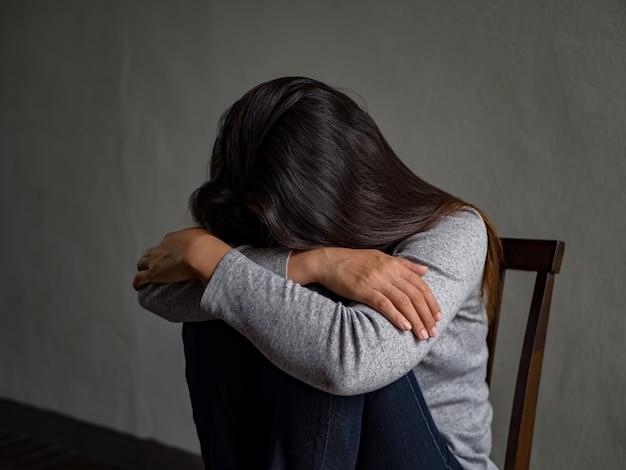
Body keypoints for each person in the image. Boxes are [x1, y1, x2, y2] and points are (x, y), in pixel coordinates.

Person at [133, 77, 502, 469]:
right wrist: (312, 263)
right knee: (221, 307)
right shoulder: (289, 233)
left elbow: (351, 363)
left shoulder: (455, 230)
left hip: (442, 461)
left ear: (330, 190)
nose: (266, 226)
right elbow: (155, 290)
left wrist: (209, 256)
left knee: (304, 313)